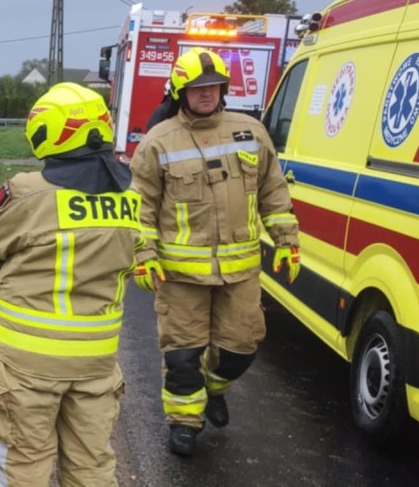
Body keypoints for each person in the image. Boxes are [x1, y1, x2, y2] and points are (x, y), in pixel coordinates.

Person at [129, 47, 300, 456]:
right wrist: (143, 253)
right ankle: (184, 423)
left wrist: (287, 241)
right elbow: (140, 206)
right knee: (183, 354)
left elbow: (273, 190)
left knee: (241, 349)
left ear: (223, 88)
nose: (206, 94)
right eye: (197, 87)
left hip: (240, 272)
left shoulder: (251, 131)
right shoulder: (158, 141)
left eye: (213, 86)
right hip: (179, 276)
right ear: (181, 92)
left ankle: (213, 388)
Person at [0, 82, 140, 486]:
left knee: (22, 465)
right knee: (92, 467)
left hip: (25, 361)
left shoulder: (24, 193)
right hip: (96, 361)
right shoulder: (132, 197)